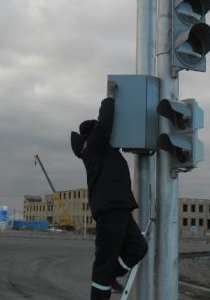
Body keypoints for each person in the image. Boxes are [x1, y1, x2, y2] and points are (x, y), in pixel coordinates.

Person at [70, 81, 148, 300]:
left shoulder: (102, 151)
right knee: (103, 264)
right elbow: (104, 125)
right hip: (110, 210)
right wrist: (109, 97)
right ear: (91, 135)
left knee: (138, 248)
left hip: (119, 208)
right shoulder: (93, 147)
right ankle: (106, 280)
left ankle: (114, 272)